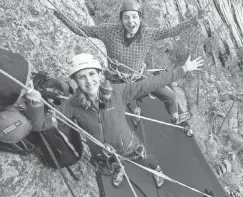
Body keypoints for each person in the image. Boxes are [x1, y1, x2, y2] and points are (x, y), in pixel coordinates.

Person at [25, 53, 204, 188]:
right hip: (103, 153)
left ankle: (155, 169)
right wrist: (35, 103)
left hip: (128, 145)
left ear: (100, 75)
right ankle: (119, 169)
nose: (89, 81)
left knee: (145, 159)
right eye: (81, 76)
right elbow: (41, 125)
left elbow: (152, 84)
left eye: (92, 74)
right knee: (114, 165)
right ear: (75, 81)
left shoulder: (118, 92)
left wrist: (183, 69)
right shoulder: (71, 105)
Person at [53, 0, 205, 125]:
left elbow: (171, 31)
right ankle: (134, 110)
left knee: (170, 96)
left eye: (134, 16)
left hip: (139, 75)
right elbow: (81, 29)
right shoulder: (109, 31)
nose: (131, 21)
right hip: (116, 80)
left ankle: (175, 117)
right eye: (126, 17)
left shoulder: (148, 34)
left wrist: (195, 19)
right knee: (119, 102)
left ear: (140, 18)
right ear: (121, 20)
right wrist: (58, 12)